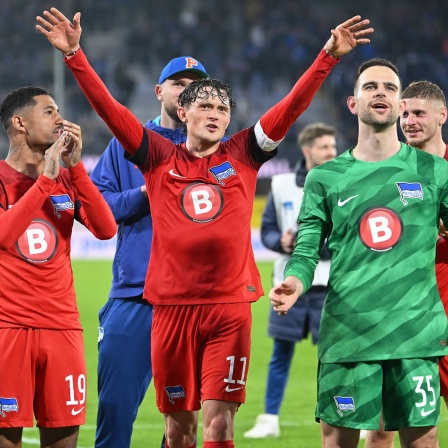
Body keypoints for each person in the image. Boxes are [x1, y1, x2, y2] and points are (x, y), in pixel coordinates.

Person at [36, 7, 373, 448]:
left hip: (228, 308)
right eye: (205, 105)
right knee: (178, 432)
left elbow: (292, 106)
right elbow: (109, 109)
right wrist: (75, 54)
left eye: (223, 108)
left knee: (219, 426)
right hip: (170, 308)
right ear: (183, 110)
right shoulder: (156, 154)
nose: (215, 114)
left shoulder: (244, 153)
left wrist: (327, 56)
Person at [269, 58, 448, 448]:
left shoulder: (435, 172)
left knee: (425, 441)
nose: (380, 91)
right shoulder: (325, 178)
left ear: (401, 104)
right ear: (353, 104)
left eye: (389, 86)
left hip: (414, 334)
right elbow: (307, 246)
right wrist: (296, 282)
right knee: (337, 442)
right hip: (349, 334)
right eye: (370, 86)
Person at [90, 56, 210, 448]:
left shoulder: (215, 149)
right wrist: (146, 193)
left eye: (196, 85)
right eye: (178, 82)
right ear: (159, 92)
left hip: (193, 302)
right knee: (115, 408)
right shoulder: (125, 145)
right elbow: (98, 208)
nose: (186, 90)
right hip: (135, 296)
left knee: (184, 424)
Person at [0, 86, 116, 448]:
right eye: (48, 112)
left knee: (64, 440)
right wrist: (45, 182)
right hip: (9, 328)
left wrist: (76, 168)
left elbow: (105, 228)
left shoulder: (66, 179)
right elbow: (4, 236)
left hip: (62, 329)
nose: (60, 119)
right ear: (19, 122)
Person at [363, 81, 448, 448]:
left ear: (442, 116)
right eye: (405, 114)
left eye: (419, 113)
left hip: (445, 306)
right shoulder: (388, 170)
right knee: (382, 423)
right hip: (400, 314)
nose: (409, 121)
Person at [244, 123, 336, 439]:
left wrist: (310, 247)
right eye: (326, 147)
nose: (332, 152)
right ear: (308, 150)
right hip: (288, 284)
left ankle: (345, 416)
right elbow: (266, 230)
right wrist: (281, 242)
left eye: (334, 147)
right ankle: (269, 419)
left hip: (329, 285)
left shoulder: (345, 182)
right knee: (280, 355)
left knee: (337, 357)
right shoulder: (282, 185)